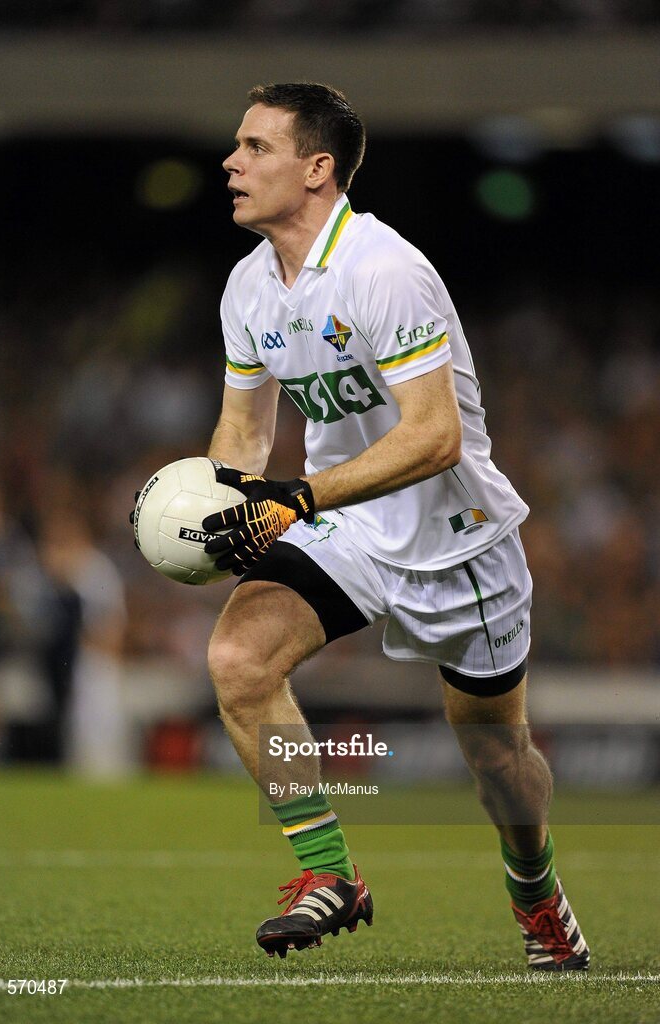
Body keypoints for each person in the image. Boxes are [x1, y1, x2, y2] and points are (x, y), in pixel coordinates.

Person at [193, 82, 588, 969]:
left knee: (498, 764)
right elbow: (246, 432)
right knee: (238, 661)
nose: (232, 162)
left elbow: (435, 437)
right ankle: (331, 871)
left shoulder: (384, 269)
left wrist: (293, 499)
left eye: (256, 147)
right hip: (351, 523)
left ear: (316, 168)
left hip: (458, 539)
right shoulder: (249, 286)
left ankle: (534, 890)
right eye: (237, 146)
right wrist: (215, 508)